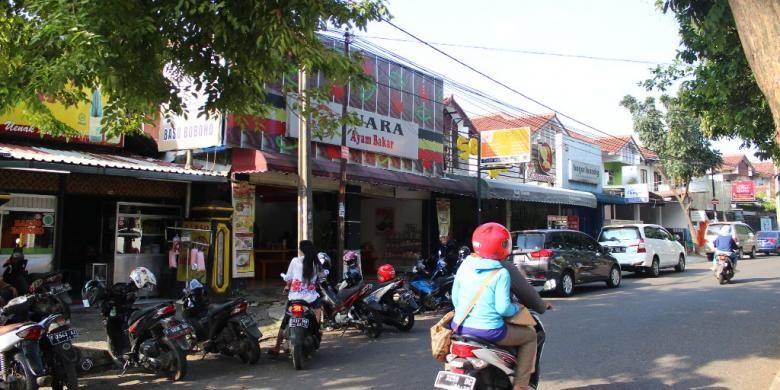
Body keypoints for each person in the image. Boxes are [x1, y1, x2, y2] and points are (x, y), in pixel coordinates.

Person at [451, 222, 538, 390]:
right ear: (502, 246)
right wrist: (517, 308)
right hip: (489, 330)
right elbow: (503, 309)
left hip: (459, 327)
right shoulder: (501, 273)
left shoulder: (465, 265)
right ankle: (521, 385)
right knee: (530, 336)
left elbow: (455, 299)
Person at [269, 240, 323, 356]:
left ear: (301, 250)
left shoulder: (295, 261)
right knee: (318, 310)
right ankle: (317, 330)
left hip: (295, 298)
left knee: (285, 320)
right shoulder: (316, 263)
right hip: (310, 299)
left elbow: (288, 277)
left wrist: (288, 284)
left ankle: (277, 347)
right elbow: (323, 275)